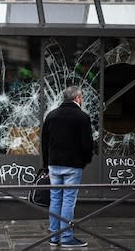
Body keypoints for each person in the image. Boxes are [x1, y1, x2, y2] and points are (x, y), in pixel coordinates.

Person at [41, 86, 93, 248]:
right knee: (68, 201)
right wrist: (84, 161)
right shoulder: (82, 117)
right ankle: (66, 238)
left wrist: (46, 165)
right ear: (77, 98)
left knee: (55, 199)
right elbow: (87, 145)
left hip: (54, 165)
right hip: (72, 166)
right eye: (81, 97)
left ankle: (54, 237)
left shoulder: (51, 115)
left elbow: (44, 143)